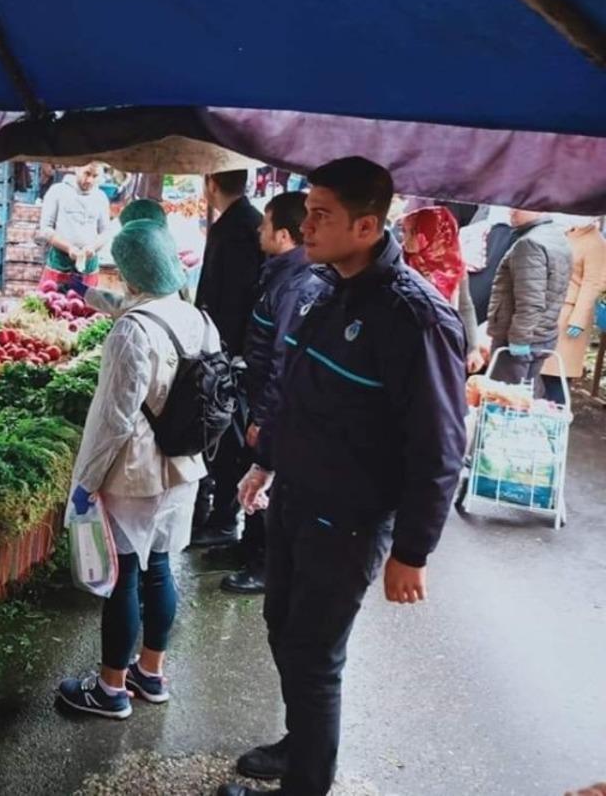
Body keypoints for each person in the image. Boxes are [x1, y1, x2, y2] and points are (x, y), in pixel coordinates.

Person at [216, 157, 466, 796]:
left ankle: (307, 783)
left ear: (366, 225)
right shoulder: (321, 286)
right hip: (296, 497)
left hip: (349, 519)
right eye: (308, 211)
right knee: (282, 629)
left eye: (322, 215)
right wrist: (266, 460)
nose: (306, 225)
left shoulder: (415, 317)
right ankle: (301, 744)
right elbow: (296, 387)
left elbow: (439, 444)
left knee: (315, 657)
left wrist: (412, 550)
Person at [57, 220, 216, 719]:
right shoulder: (198, 318)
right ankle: (151, 672)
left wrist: (85, 481)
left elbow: (114, 417)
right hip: (185, 466)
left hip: (137, 472)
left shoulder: (132, 330)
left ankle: (110, 690)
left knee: (123, 576)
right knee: (162, 567)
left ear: (130, 272)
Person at [221, 191, 316, 596]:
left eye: (265, 224)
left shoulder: (297, 285)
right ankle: (247, 548)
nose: (258, 230)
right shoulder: (279, 273)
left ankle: (264, 566)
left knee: (265, 479)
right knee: (251, 475)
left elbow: (283, 362)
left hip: (271, 408)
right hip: (258, 398)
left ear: (282, 235)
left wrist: (263, 418)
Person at [193, 169, 264, 548]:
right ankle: (219, 515)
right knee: (227, 437)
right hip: (235, 352)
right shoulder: (246, 222)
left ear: (211, 183)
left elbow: (232, 299)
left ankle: (222, 518)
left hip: (229, 356)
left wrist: (224, 353)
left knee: (228, 439)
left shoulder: (236, 228)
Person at [486, 210, 573, 396]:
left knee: (504, 403)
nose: (511, 211)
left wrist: (518, 341)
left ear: (539, 208)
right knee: (526, 397)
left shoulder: (530, 243)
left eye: (520, 206)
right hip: (541, 336)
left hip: (519, 341)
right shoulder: (556, 236)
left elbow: (530, 302)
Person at [399, 206, 484, 373]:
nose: (404, 239)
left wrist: (473, 349)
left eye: (411, 233)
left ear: (432, 235)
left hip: (442, 346)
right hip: (406, 346)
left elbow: (465, 307)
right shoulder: (401, 264)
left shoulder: (455, 268)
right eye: (404, 232)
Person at [540, 217, 606, 404]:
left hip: (569, 312)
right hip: (549, 307)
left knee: (558, 375)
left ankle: (555, 423)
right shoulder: (567, 233)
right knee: (540, 372)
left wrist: (578, 319)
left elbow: (592, 283)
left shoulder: (596, 243)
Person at [36, 162, 111, 290]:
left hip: (89, 264)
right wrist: (69, 248)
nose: (89, 180)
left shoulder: (101, 197)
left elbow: (105, 232)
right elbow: (46, 229)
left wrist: (93, 247)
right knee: (51, 304)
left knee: (85, 307)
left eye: (95, 176)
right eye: (87, 173)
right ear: (77, 168)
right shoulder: (58, 191)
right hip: (60, 262)